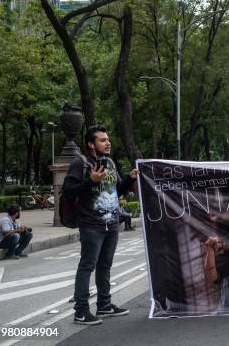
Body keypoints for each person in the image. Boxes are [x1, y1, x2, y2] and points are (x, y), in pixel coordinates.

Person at [63, 125, 138, 325]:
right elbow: (68, 191)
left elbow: (116, 191)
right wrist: (91, 181)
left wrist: (129, 180)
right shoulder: (81, 163)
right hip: (91, 224)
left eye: (108, 139)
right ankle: (80, 311)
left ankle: (104, 305)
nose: (108, 142)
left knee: (105, 265)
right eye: (102, 140)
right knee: (87, 266)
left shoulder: (111, 163)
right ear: (91, 144)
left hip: (112, 224)